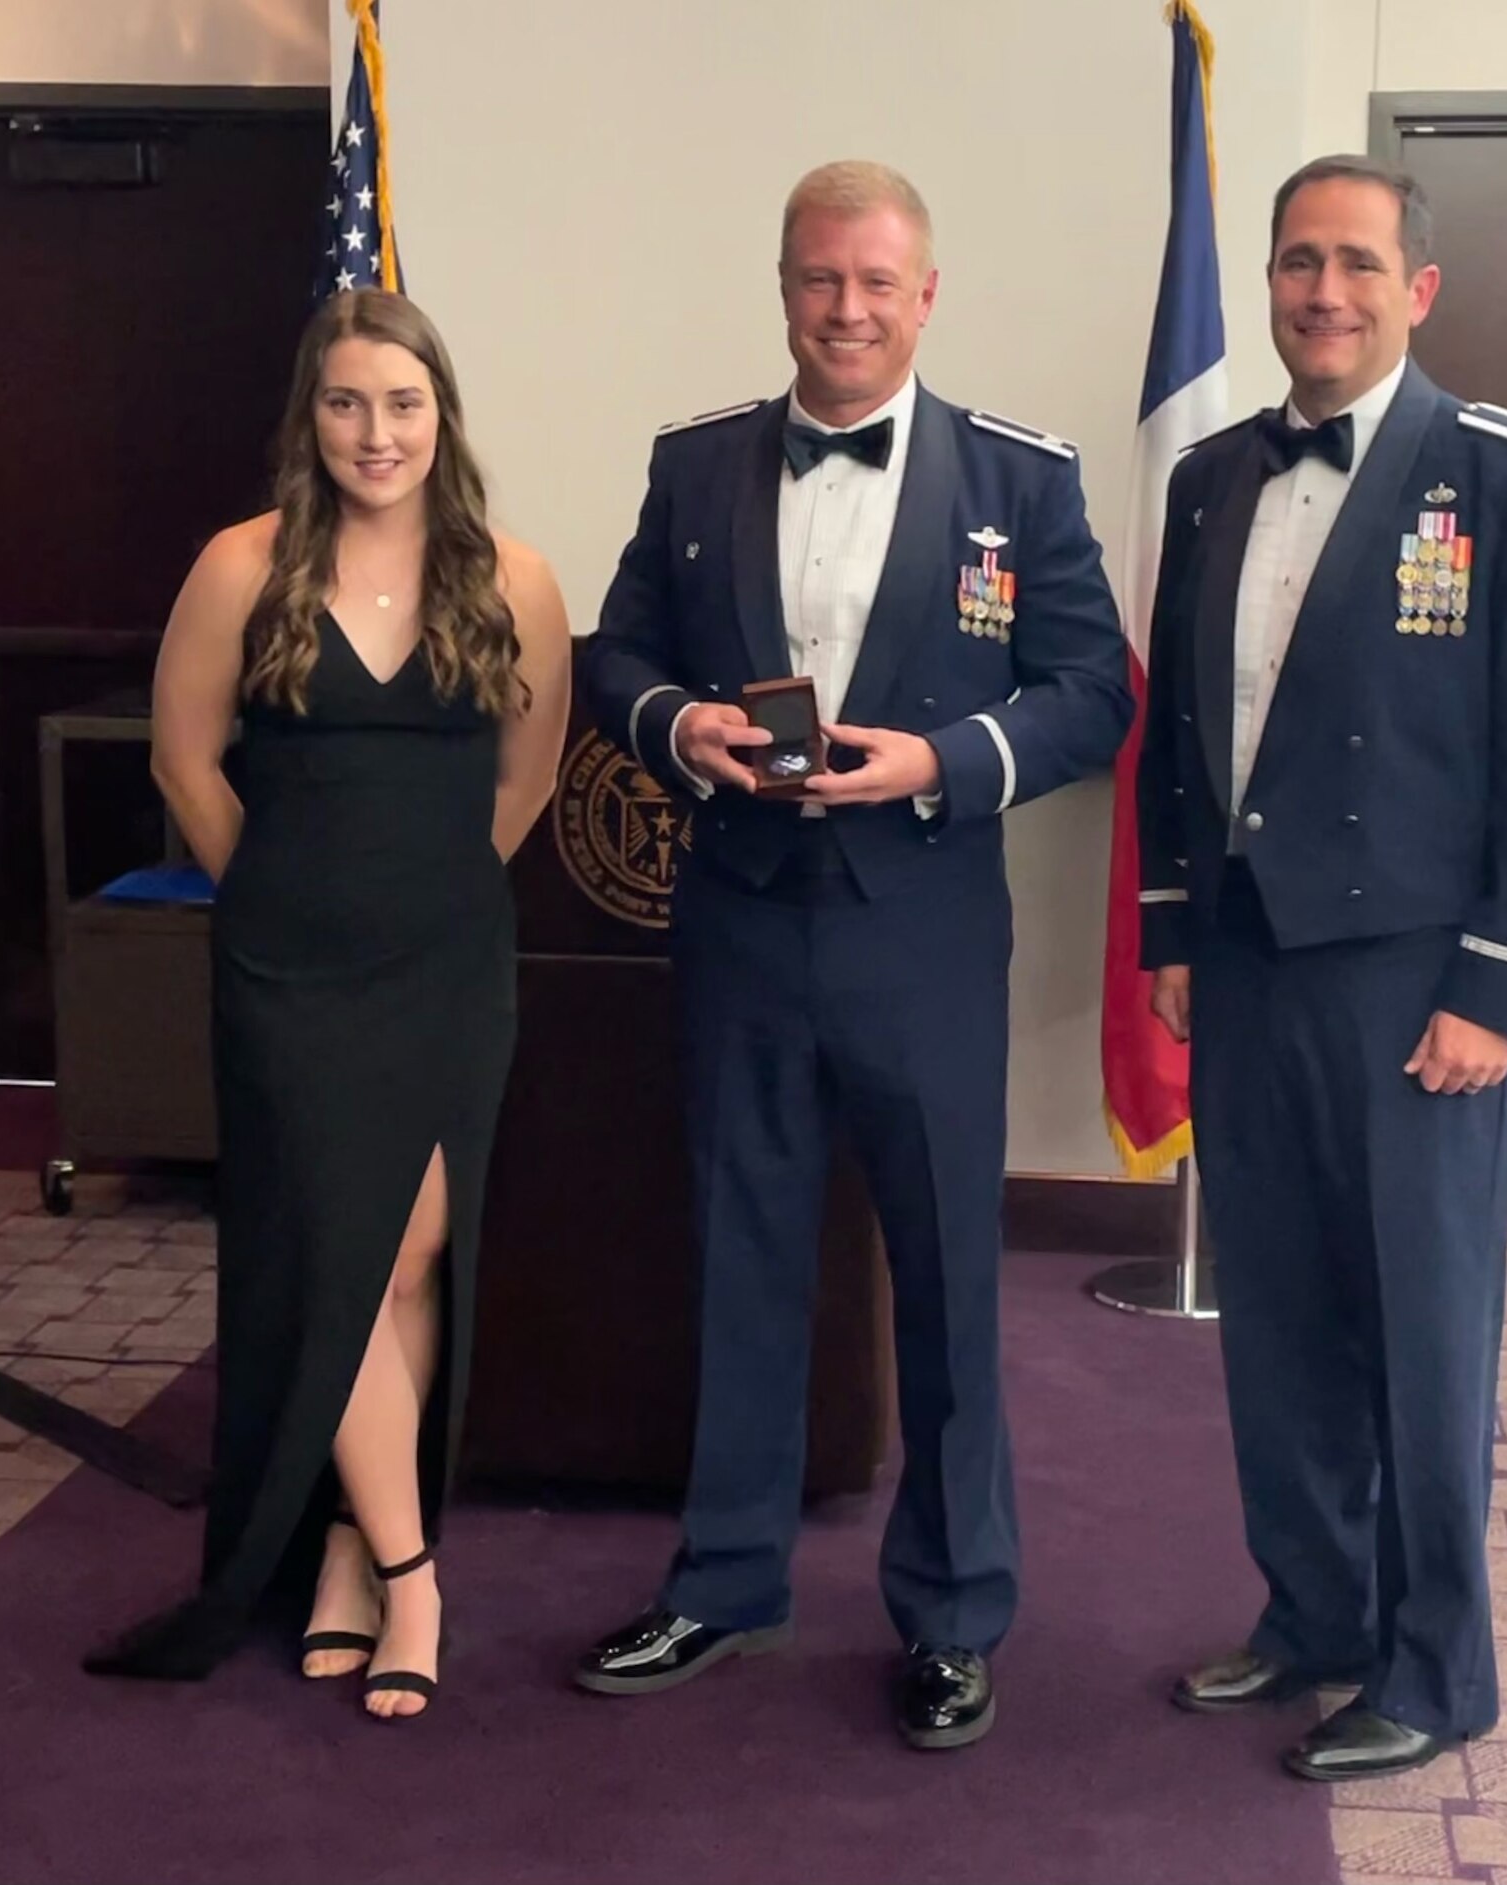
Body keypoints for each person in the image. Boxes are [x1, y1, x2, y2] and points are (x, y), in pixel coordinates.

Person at [572, 160, 1131, 1749]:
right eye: (822, 280)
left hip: (926, 937)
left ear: (928, 295)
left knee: (949, 1280)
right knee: (741, 1261)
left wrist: (942, 760)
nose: (849, 310)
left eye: (880, 283)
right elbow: (617, 653)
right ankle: (727, 1577)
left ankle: (954, 1613)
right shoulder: (693, 468)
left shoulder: (1020, 481)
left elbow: (1091, 691)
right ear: (783, 287)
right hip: (742, 924)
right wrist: (681, 726)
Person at [1136, 154, 1507, 1779]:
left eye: (1354, 263)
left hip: (1427, 984)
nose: (1320, 292)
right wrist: (1175, 928)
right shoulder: (1209, 479)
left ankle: (1435, 1663)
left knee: (1422, 1330)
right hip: (1258, 966)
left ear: (1417, 289)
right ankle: (1314, 1614)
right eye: (1296, 263)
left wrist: (1503, 987)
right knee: (1275, 1314)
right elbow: (1184, 740)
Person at [85, 288, 571, 1719]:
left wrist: (426, 889)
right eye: (348, 402)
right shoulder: (244, 566)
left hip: (447, 970)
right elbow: (183, 763)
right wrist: (288, 891)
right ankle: (416, 1572)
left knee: (411, 1257)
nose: (377, 432)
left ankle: (355, 1548)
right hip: (288, 975)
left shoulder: (512, 577)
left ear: (444, 417)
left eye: (404, 404)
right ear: (312, 417)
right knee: (336, 1255)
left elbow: (528, 776)